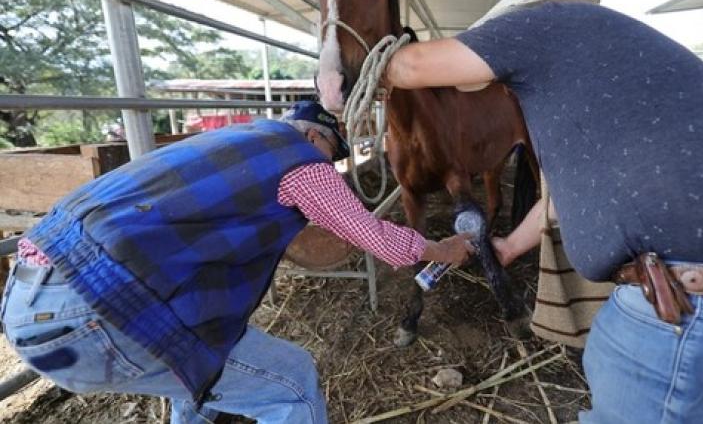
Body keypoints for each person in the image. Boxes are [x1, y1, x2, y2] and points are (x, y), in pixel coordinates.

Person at [382, 0, 703, 423]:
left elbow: (410, 65)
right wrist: (508, 248)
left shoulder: (535, 24)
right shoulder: (597, 79)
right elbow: (563, 195)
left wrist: (366, 61)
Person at [1, 101, 473, 424]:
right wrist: (444, 250)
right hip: (96, 311)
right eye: (333, 154)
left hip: (28, 296)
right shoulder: (302, 159)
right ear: (314, 135)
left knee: (198, 372)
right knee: (293, 382)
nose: (332, 167)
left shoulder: (228, 143)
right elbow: (374, 238)